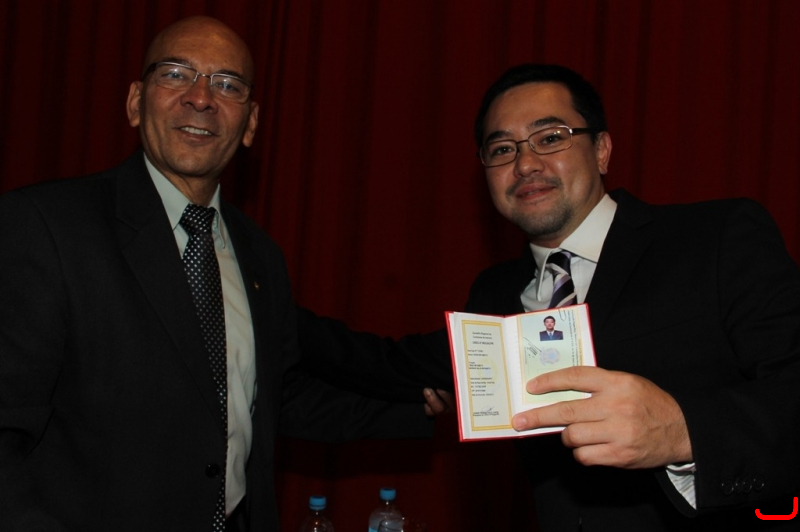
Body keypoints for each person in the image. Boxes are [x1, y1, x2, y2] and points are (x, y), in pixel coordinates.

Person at [301, 63, 800, 530]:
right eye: (502, 149)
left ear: (601, 149)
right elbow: (388, 364)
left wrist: (681, 432)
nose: (525, 164)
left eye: (550, 138)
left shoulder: (716, 238)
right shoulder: (494, 293)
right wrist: (269, 307)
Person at [0, 16, 435, 532]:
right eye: (176, 74)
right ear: (135, 102)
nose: (201, 98)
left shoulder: (260, 255)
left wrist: (424, 409)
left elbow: (269, 398)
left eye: (227, 85)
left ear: (250, 123)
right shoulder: (46, 227)